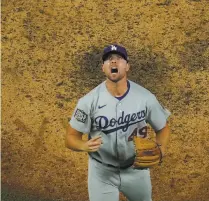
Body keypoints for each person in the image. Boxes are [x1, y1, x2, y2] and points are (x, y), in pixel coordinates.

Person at [65, 44, 171, 201]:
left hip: (136, 170)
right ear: (103, 68)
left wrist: (161, 150)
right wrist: (82, 145)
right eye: (108, 60)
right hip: (101, 173)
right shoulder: (88, 101)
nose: (113, 62)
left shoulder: (145, 98)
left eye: (119, 59)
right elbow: (70, 137)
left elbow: (163, 128)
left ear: (127, 66)